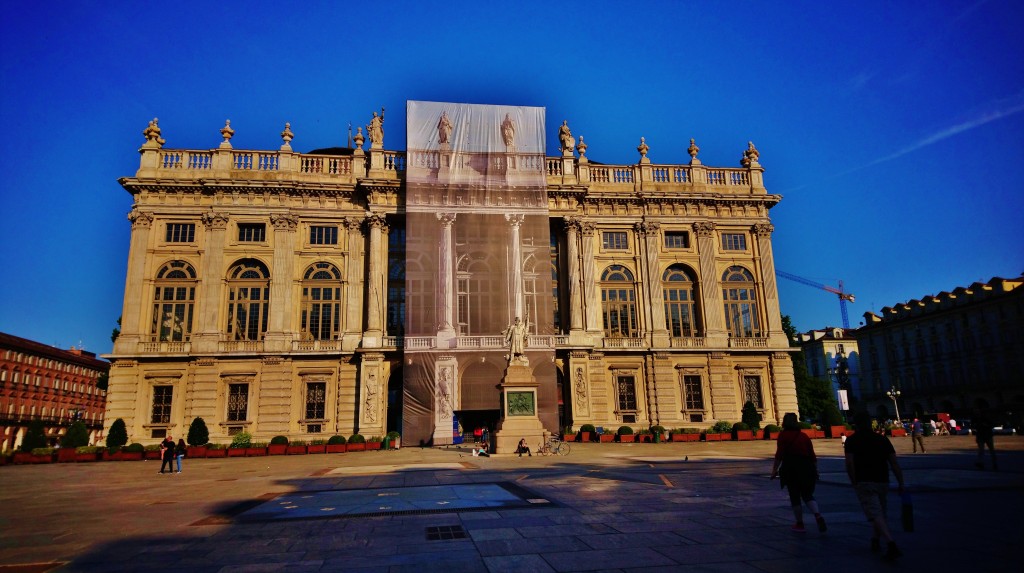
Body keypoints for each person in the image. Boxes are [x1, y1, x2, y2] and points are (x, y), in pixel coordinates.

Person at [845, 412, 905, 560]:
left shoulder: (852, 441)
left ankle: (891, 544)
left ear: (856, 424)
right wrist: (901, 482)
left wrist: (853, 481)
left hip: (864, 481)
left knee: (875, 513)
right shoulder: (882, 439)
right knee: (879, 512)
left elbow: (849, 463)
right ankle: (875, 540)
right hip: (883, 480)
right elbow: (894, 463)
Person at [771, 413, 826, 533]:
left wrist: (774, 470)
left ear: (784, 422)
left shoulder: (783, 436)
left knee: (795, 496)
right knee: (807, 495)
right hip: (806, 467)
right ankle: (817, 515)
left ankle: (800, 524)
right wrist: (815, 470)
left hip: (791, 467)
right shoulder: (804, 436)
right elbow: (812, 455)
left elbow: (779, 455)